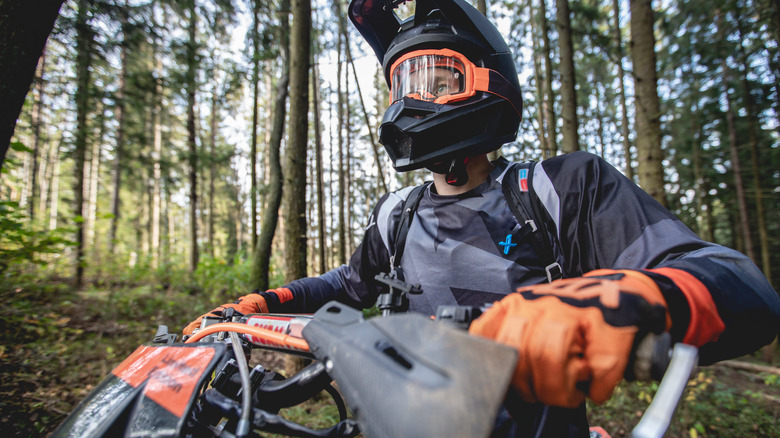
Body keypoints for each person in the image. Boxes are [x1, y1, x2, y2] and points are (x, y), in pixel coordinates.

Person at [185, 0, 780, 436]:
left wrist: (624, 298)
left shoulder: (560, 187)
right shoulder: (398, 213)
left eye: (433, 78)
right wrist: (267, 302)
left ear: (484, 82)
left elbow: (737, 282)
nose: (411, 97)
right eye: (400, 82)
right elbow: (348, 283)